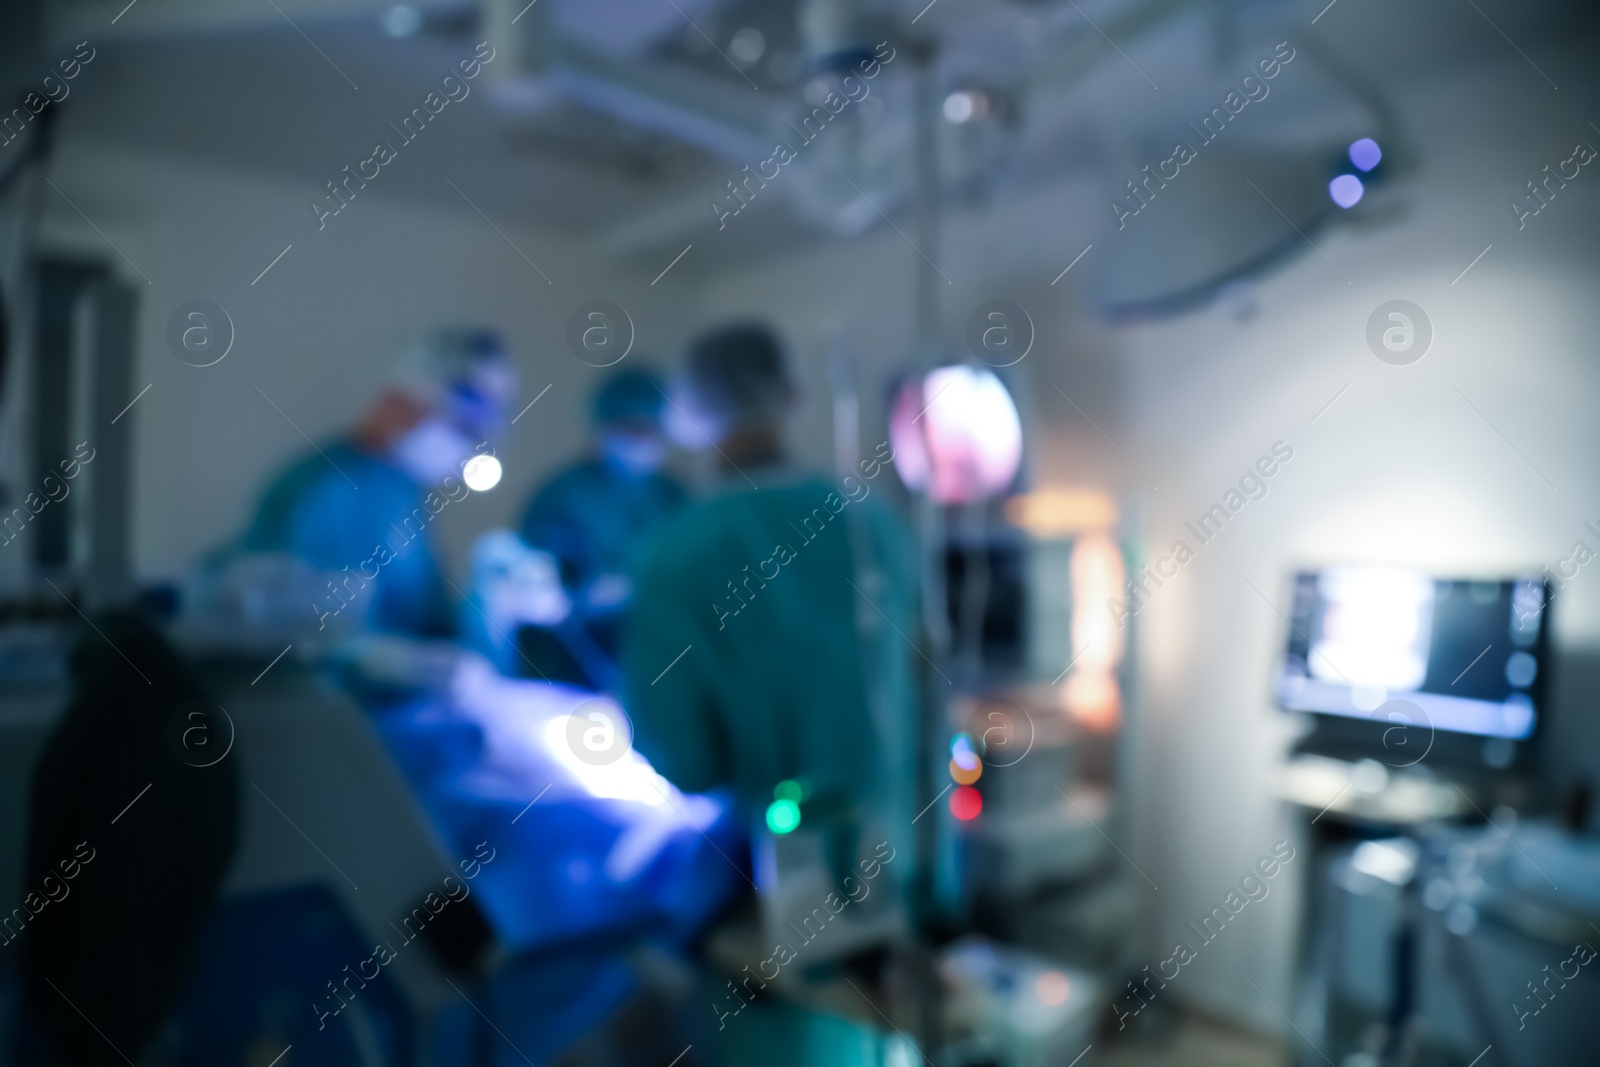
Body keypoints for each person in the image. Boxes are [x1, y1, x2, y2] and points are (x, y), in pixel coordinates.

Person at [621, 323, 917, 829]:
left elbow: (679, 752)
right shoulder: (873, 522)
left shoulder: (676, 554)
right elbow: (923, 666)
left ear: (687, 412)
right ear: (793, 394)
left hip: (773, 842)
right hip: (902, 820)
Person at [239, 327, 515, 638]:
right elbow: (310, 633)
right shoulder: (326, 490)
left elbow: (428, 619)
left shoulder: (404, 493)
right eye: (458, 424)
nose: (461, 444)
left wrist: (488, 605)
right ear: (398, 401)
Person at [519, 367, 686, 656]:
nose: (642, 439)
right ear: (603, 426)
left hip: (659, 648)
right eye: (631, 427)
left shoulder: (671, 494)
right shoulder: (562, 496)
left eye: (651, 428)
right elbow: (539, 587)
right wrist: (582, 593)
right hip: (572, 654)